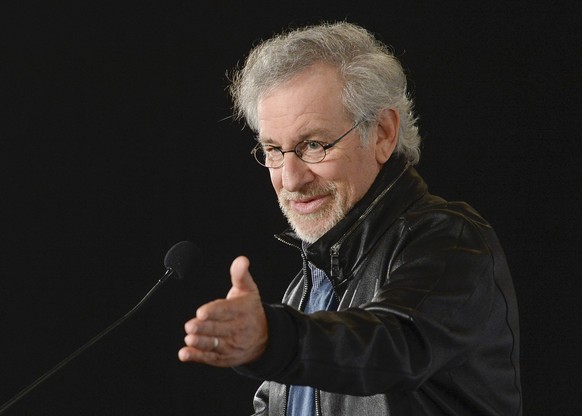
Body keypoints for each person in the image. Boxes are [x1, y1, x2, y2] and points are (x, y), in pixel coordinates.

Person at [178, 21, 522, 415]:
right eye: (273, 149)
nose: (290, 179)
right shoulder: (305, 289)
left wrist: (272, 339)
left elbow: (391, 345)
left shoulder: (452, 242)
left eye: (313, 145)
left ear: (382, 134)